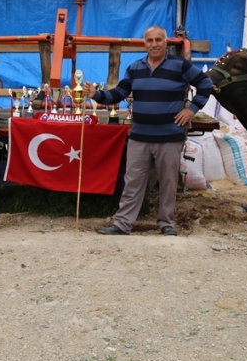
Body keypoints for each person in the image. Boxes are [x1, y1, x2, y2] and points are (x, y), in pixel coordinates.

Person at [82, 25, 213, 236]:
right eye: (150, 40)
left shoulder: (180, 65)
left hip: (170, 136)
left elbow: (206, 83)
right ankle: (123, 224)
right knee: (132, 181)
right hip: (139, 136)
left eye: (158, 40)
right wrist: (97, 94)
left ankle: (166, 224)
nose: (154, 44)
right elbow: (118, 94)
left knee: (168, 182)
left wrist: (192, 109)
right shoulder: (134, 68)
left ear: (166, 42)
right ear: (145, 43)